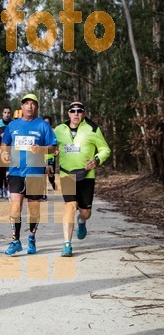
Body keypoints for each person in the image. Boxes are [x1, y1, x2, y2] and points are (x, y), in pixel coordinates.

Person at [0, 93, 57, 256]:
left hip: (35, 172)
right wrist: (4, 154)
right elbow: (5, 144)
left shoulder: (43, 126)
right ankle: (15, 240)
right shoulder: (13, 125)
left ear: (36, 107)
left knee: (34, 209)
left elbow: (53, 147)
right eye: (26, 103)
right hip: (16, 171)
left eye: (33, 103)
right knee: (15, 207)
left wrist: (42, 150)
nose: (29, 106)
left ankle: (31, 237)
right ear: (22, 106)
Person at [54, 101, 111, 257]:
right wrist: (50, 158)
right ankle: (67, 244)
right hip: (67, 174)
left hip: (87, 175)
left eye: (79, 110)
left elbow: (105, 149)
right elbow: (50, 147)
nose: (76, 113)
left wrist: (97, 160)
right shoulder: (59, 130)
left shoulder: (93, 128)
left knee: (85, 212)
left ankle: (82, 221)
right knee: (70, 207)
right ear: (68, 113)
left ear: (84, 113)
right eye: (73, 111)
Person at [43, 115, 57, 191]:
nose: (46, 124)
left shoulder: (53, 131)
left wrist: (57, 150)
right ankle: (43, 194)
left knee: (50, 174)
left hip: (50, 156)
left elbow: (57, 143)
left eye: (48, 123)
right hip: (41, 157)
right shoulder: (40, 132)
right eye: (45, 123)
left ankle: (52, 182)